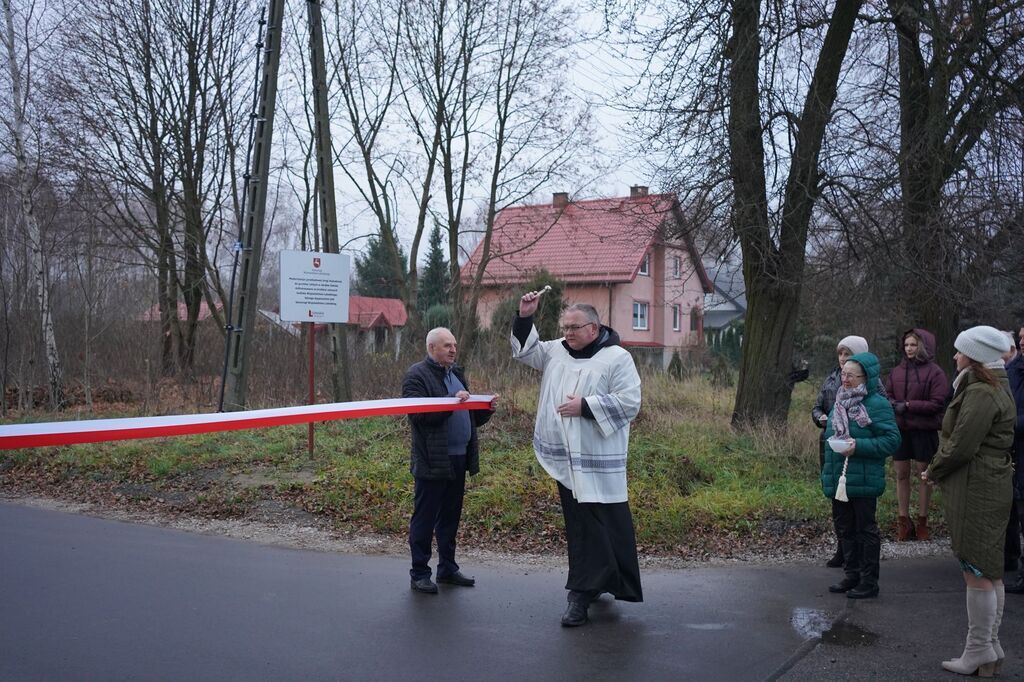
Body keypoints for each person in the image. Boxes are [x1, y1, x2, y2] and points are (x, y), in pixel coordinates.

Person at [512, 293, 643, 627]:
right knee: (582, 528)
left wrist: (584, 406)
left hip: (599, 458)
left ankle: (588, 590)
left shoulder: (617, 358)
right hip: (565, 459)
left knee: (606, 523)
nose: (567, 332)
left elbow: (630, 402)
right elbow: (526, 352)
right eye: (564, 326)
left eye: (574, 327)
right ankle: (583, 591)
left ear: (594, 327)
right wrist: (526, 316)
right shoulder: (557, 349)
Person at [922, 325, 1014, 676]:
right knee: (989, 571)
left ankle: (979, 650)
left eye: (960, 352)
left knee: (975, 569)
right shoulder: (990, 387)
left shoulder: (981, 393)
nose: (955, 356)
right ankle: (989, 647)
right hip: (988, 481)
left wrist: (934, 470)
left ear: (975, 357)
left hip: (977, 485)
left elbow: (961, 443)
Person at [402, 327, 496, 594]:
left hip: (458, 458)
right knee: (425, 518)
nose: (453, 349)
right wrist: (449, 401)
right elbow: (418, 416)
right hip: (432, 460)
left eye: (454, 344)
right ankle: (419, 573)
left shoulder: (456, 374)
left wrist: (485, 409)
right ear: (432, 348)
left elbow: (469, 417)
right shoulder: (416, 375)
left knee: (450, 518)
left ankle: (447, 568)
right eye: (447, 345)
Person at [821, 351, 900, 600]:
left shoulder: (877, 404)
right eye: (843, 373)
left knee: (865, 529)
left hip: (864, 478)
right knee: (845, 528)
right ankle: (851, 574)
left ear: (866, 377)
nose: (845, 379)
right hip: (840, 477)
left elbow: (892, 440)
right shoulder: (840, 400)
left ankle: (869, 581)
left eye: (851, 375)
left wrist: (859, 446)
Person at [884, 328, 948, 541]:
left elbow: (938, 403)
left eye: (913, 345)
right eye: (907, 345)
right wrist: (894, 404)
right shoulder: (896, 371)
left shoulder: (935, 372)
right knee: (901, 474)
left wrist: (909, 405)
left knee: (924, 475)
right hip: (901, 429)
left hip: (924, 430)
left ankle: (922, 522)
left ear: (922, 346)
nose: (909, 349)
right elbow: (888, 394)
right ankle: (903, 520)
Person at [812, 335, 869, 568]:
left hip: (852, 446)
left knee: (854, 500)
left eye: (848, 354)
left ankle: (855, 554)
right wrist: (820, 418)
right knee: (835, 498)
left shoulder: (867, 383)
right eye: (840, 354)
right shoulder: (831, 378)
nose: (843, 359)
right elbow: (816, 407)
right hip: (829, 443)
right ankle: (842, 548)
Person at [1005, 328, 1024, 595]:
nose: (1022, 342)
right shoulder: (1014, 369)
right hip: (1014, 450)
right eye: (1021, 338)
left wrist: (1009, 426)